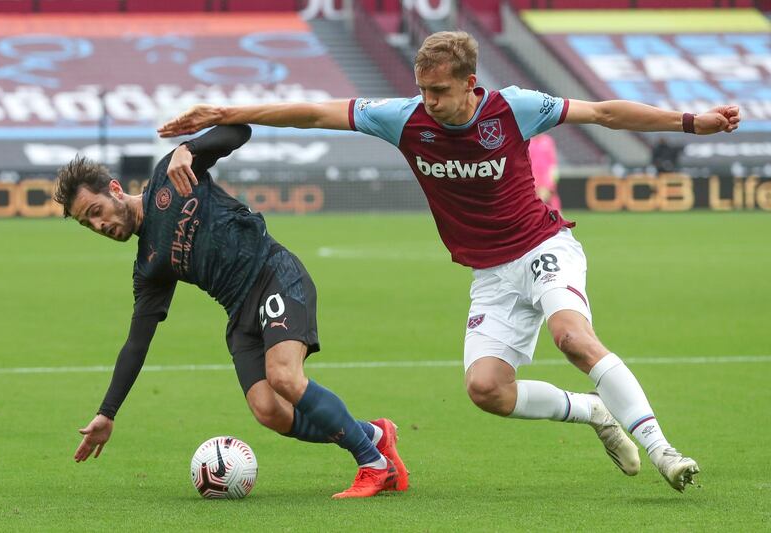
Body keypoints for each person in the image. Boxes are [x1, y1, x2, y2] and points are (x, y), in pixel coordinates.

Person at [157, 31, 741, 493]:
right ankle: (593, 411)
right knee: (486, 390)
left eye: (439, 92)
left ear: (470, 83)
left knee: (572, 337)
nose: (428, 103)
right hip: (489, 274)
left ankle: (664, 448)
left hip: (543, 248)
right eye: (423, 90)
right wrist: (228, 110)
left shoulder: (516, 108)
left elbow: (606, 114)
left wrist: (692, 122)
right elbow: (313, 112)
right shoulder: (404, 118)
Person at [56, 124, 408, 499]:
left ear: (113, 190)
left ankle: (373, 465)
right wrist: (107, 413)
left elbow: (238, 131)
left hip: (274, 274)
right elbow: (136, 344)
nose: (98, 225)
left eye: (96, 211)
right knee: (268, 410)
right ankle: (373, 434)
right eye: (86, 223)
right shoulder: (149, 267)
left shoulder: (168, 177)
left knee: (284, 376)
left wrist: (188, 149)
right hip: (240, 312)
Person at [527, 133, 561, 211]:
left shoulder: (548, 141)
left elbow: (552, 158)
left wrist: (553, 171)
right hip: (534, 174)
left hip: (546, 174)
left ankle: (557, 213)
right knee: (538, 197)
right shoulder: (529, 142)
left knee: (551, 195)